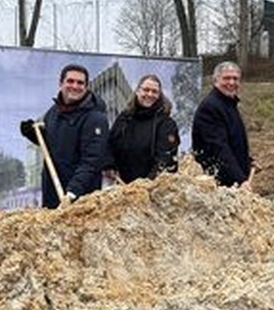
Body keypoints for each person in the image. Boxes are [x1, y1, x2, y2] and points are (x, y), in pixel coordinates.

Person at [20, 64, 109, 208]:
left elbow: (92, 160)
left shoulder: (95, 118)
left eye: (80, 83)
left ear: (86, 87)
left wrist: (73, 192)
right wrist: (34, 135)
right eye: (70, 81)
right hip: (52, 193)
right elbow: (54, 145)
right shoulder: (53, 113)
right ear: (60, 83)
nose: (75, 86)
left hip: (80, 199)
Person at [105, 74, 180, 183]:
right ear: (137, 91)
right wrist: (109, 165)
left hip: (153, 187)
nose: (149, 94)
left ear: (159, 95)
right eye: (146, 90)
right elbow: (110, 145)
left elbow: (165, 160)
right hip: (121, 185)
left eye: (154, 91)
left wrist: (146, 185)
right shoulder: (124, 118)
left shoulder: (166, 124)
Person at [192, 61, 253, 188]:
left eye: (235, 79)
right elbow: (218, 148)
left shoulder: (229, 104)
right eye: (226, 78)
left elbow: (233, 141)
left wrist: (247, 161)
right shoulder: (210, 107)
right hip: (217, 183)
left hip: (231, 179)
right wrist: (240, 180)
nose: (231, 82)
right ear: (215, 80)